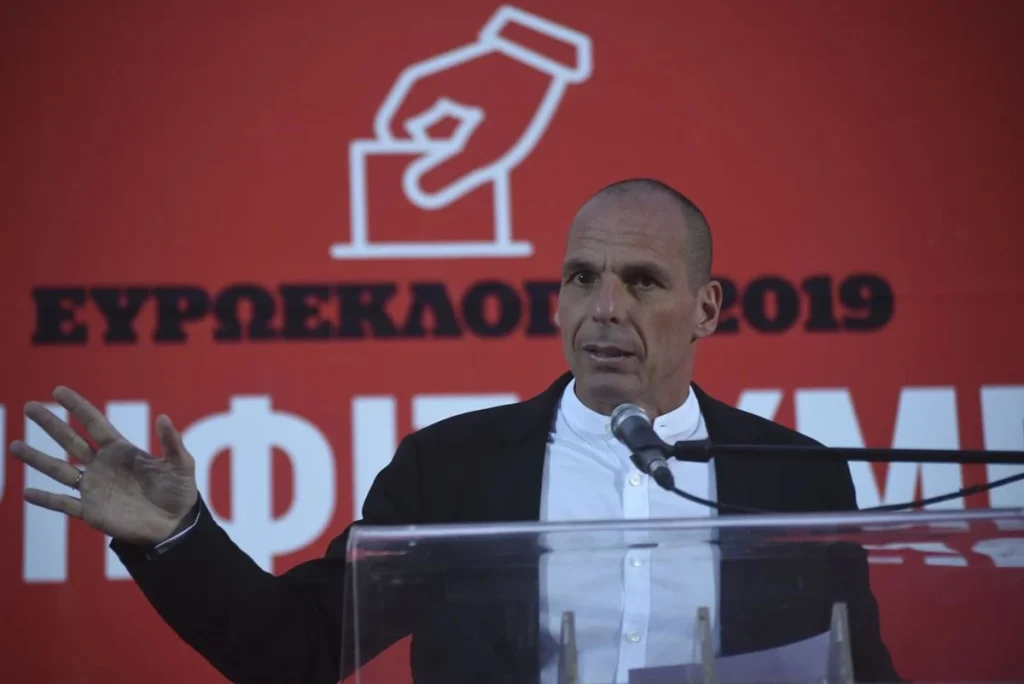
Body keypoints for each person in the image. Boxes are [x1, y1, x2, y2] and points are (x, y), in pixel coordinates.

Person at [11, 178, 900, 684]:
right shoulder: (451, 469)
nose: (604, 308)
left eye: (641, 281)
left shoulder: (794, 476)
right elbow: (297, 651)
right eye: (581, 278)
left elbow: (852, 668)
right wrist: (176, 536)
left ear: (706, 308)